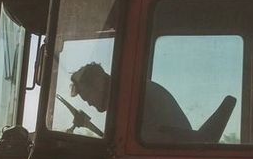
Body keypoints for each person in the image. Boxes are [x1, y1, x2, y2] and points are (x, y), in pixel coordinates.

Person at [68, 61, 236, 144]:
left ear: (98, 82)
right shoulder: (130, 90)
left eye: (86, 96)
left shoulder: (130, 96)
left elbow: (120, 149)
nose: (88, 103)